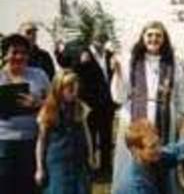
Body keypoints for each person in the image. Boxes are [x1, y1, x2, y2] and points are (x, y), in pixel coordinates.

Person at [111, 21, 184, 193]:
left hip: (164, 119)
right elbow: (119, 96)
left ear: (164, 39)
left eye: (158, 35)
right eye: (150, 35)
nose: (154, 39)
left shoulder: (172, 64)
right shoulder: (131, 61)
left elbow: (183, 93)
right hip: (135, 120)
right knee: (133, 162)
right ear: (143, 38)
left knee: (162, 155)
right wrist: (117, 74)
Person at [55, 30, 117, 179]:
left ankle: (106, 168)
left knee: (106, 139)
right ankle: (89, 168)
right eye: (97, 38)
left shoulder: (109, 55)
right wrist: (60, 52)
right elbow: (68, 64)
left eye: (103, 38)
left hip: (107, 104)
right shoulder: (82, 52)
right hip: (89, 104)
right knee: (90, 138)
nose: (100, 41)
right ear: (92, 39)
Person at [0, 33, 50, 194]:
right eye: (14, 52)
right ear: (5, 55)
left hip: (32, 141)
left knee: (29, 187)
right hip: (3, 142)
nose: (19, 56)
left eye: (23, 52)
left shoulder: (39, 75)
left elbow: (54, 104)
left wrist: (38, 103)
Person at [116, 119, 184, 194]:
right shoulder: (134, 187)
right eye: (152, 146)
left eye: (158, 143)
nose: (159, 149)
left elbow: (178, 149)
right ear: (135, 150)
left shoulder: (154, 158)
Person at [35, 69, 92, 194]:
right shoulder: (48, 109)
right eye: (70, 88)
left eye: (77, 88)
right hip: (57, 162)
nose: (75, 92)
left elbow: (87, 134)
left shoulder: (80, 107)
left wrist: (90, 157)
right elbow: (41, 141)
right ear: (59, 89)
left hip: (79, 161)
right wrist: (40, 168)